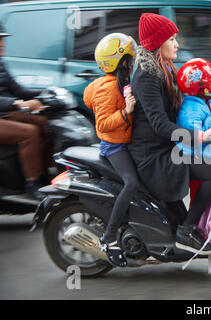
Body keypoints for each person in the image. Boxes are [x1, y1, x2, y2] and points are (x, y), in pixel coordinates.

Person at [129, 13, 211, 255]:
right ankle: (186, 232)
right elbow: (160, 125)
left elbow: (189, 102)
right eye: (172, 39)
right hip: (153, 154)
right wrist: (200, 136)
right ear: (157, 43)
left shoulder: (166, 69)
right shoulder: (147, 77)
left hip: (166, 145)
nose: (177, 44)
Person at [83, 33, 139, 267]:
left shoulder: (119, 83)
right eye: (129, 59)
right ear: (119, 63)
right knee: (132, 183)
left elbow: (87, 99)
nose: (133, 62)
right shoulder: (107, 88)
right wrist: (125, 112)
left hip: (123, 142)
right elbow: (102, 124)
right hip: (113, 146)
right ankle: (109, 237)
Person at [0, 22, 52, 199]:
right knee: (29, 133)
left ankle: (44, 173)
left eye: (2, 39)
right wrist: (18, 103)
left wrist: (46, 92)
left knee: (45, 123)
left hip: (6, 112)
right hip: (5, 111)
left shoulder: (1, 65)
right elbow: (16, 98)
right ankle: (32, 183)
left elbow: (20, 90)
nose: (2, 44)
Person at [175, 58, 211, 208]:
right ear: (201, 87)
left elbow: (207, 114)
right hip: (197, 158)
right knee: (200, 198)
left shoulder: (203, 102)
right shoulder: (190, 110)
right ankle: (194, 225)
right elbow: (198, 137)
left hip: (208, 155)